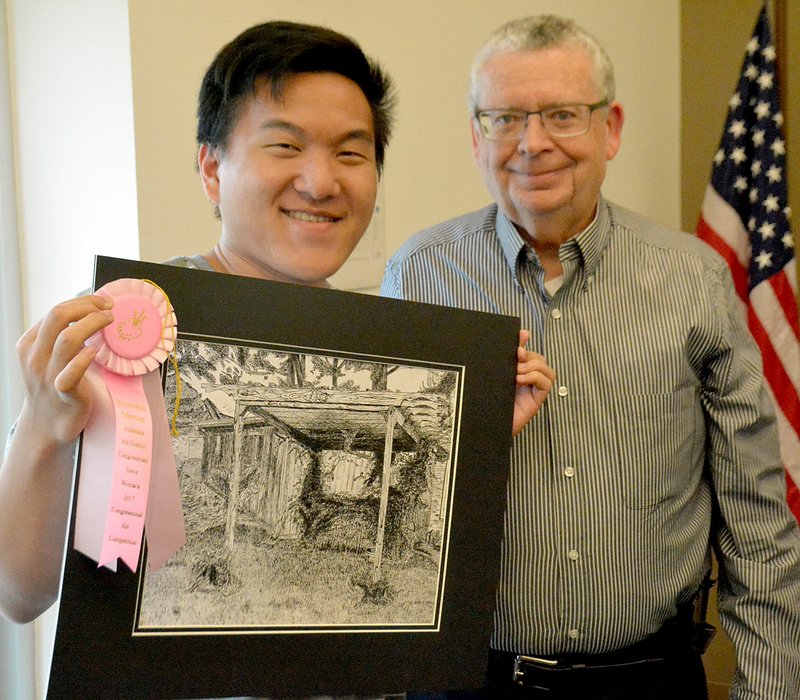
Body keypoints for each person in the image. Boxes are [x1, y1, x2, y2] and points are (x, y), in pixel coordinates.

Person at [0, 17, 553, 685]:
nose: (321, 182)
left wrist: (477, 442)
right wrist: (43, 428)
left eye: (352, 154)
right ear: (211, 167)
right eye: (284, 145)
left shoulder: (385, 348)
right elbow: (19, 594)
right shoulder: (126, 329)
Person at [382, 14, 800, 700]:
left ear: (611, 129)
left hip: (650, 679)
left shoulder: (694, 282)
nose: (532, 144)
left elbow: (758, 527)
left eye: (562, 115)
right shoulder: (420, 279)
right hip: (470, 681)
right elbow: (388, 500)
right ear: (475, 134)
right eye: (505, 118)